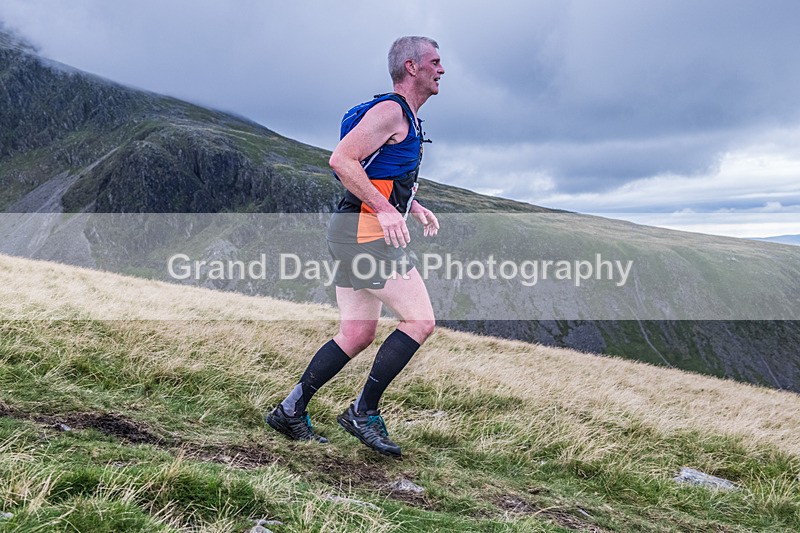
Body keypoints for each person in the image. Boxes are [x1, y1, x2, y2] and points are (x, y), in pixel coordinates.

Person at [266, 36, 444, 457]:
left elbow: (374, 169)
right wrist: (385, 209)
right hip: (364, 233)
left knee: (356, 332)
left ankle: (290, 410)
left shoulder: (408, 118)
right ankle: (363, 413)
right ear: (411, 67)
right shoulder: (391, 111)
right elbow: (342, 160)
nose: (441, 70)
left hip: (353, 229)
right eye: (435, 62)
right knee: (419, 321)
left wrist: (410, 205)